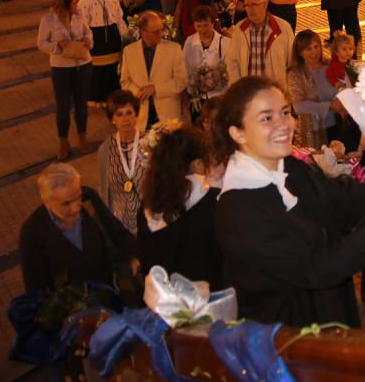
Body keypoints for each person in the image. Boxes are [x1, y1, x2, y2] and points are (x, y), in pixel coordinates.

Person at [212, 76, 365, 327]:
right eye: (266, 118)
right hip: (291, 335)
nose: (284, 124)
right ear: (237, 133)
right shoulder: (237, 210)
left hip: (331, 311)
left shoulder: (290, 166)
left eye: (285, 112)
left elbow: (337, 203)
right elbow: (314, 269)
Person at [19, 163, 136, 292]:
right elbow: (36, 288)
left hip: (109, 294)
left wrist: (135, 256)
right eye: (66, 204)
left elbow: (117, 232)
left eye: (78, 197)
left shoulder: (89, 198)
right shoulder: (33, 233)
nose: (76, 208)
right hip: (73, 308)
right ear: (47, 201)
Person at [138, 125, 225, 287]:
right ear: (198, 164)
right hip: (209, 300)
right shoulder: (214, 202)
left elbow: (148, 263)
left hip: (170, 304)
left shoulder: (149, 205)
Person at [37, 0, 94, 160]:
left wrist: (88, 41)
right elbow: (41, 43)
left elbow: (88, 32)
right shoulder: (48, 20)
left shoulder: (79, 15)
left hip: (83, 64)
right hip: (61, 68)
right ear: (65, 5)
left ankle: (82, 137)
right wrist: (58, 47)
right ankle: (63, 141)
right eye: (73, 3)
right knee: (63, 107)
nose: (77, 6)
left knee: (82, 104)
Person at [120, 11, 188, 131]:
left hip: (167, 116)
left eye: (161, 30)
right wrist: (138, 91)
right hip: (140, 115)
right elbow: (125, 82)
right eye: (155, 32)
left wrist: (156, 88)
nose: (160, 34)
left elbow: (181, 81)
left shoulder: (174, 49)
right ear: (143, 32)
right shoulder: (129, 51)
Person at [286, 29, 350, 147]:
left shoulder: (330, 66)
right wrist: (330, 106)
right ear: (300, 53)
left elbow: (346, 87)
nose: (314, 52)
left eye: (316, 47)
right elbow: (299, 106)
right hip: (312, 130)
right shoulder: (295, 74)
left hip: (338, 125)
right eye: (308, 49)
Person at [97, 90, 147, 234]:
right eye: (119, 114)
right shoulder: (105, 150)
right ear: (112, 119)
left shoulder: (150, 142)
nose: (125, 119)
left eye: (129, 113)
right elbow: (104, 186)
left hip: (150, 219)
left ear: (136, 115)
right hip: (121, 222)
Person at [77, 0, 128, 107]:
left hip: (112, 34)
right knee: (97, 68)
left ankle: (114, 96)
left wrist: (123, 34)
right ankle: (98, 97)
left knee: (114, 66)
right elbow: (82, 22)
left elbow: (118, 16)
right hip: (96, 36)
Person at [226, 0, 294, 90]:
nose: (249, 9)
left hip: (276, 93)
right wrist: (238, 89)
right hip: (248, 93)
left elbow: (293, 63)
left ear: (265, 5)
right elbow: (232, 62)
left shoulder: (283, 28)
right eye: (247, 5)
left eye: (254, 5)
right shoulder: (239, 30)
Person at [183, 5, 231, 114]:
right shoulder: (189, 42)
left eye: (205, 25)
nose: (202, 30)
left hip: (219, 96)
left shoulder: (225, 43)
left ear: (212, 23)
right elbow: (186, 68)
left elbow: (230, 70)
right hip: (197, 98)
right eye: (198, 26)